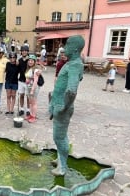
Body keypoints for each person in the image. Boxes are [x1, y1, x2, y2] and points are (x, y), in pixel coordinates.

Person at [49, 35, 85, 176]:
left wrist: (63, 106)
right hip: (58, 105)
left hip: (62, 107)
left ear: (75, 49)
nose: (64, 48)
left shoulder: (75, 65)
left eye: (68, 45)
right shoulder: (72, 63)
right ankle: (60, 159)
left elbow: (71, 90)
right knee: (60, 136)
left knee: (59, 137)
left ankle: (62, 167)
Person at [24, 54, 44, 123]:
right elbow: (30, 78)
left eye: (32, 60)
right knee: (30, 102)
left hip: (34, 88)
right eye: (29, 60)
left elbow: (35, 81)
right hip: (29, 87)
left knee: (34, 103)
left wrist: (32, 90)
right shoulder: (29, 68)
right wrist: (27, 81)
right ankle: (31, 115)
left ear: (34, 61)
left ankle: (33, 116)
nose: (30, 62)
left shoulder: (35, 70)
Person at [17, 45, 30, 117]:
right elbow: (18, 70)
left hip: (28, 81)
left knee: (28, 96)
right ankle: (21, 109)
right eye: (23, 51)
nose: (24, 52)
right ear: (21, 52)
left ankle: (28, 109)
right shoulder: (19, 61)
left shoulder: (30, 60)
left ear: (27, 52)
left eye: (25, 51)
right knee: (21, 95)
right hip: (21, 80)